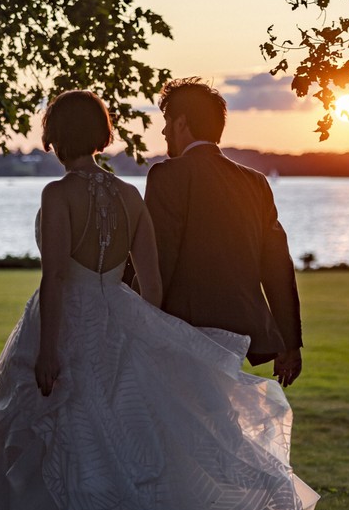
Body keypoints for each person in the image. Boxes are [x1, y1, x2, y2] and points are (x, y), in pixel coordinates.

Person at [0, 90, 318, 510]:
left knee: (116, 440)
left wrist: (76, 331)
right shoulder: (191, 188)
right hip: (179, 327)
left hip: (124, 320)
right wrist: (148, 331)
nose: (164, 131)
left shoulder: (103, 188)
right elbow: (196, 276)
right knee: (186, 442)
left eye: (169, 121)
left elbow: (85, 272)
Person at [127, 77, 303, 388]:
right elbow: (277, 266)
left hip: (180, 331)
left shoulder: (167, 175)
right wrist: (289, 342)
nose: (164, 131)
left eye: (167, 122)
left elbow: (158, 256)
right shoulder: (255, 182)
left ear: (181, 123)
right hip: (237, 336)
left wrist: (130, 321)